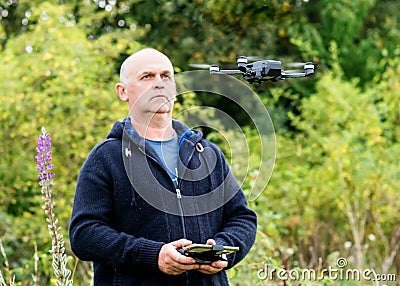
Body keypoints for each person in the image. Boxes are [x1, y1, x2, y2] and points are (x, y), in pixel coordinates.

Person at [69, 48, 257, 285]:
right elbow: (84, 234)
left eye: (166, 76)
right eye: (147, 76)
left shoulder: (207, 154)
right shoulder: (106, 158)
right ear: (123, 91)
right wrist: (152, 255)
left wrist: (223, 250)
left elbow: (242, 217)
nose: (159, 84)